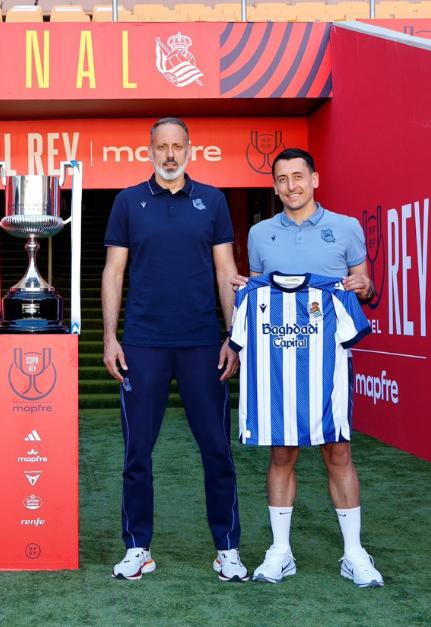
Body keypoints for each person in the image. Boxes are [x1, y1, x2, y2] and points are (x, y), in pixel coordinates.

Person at [101, 117, 247, 582]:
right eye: (161, 146)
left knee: (217, 451)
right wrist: (110, 335)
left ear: (189, 149)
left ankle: (227, 548)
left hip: (204, 343)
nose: (169, 154)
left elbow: (227, 271)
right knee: (137, 453)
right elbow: (113, 272)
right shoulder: (128, 202)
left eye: (176, 146)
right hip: (143, 343)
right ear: (149, 150)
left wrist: (232, 336)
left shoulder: (213, 201)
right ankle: (137, 548)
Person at [234, 147, 383, 588]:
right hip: (280, 364)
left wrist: (364, 284)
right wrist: (247, 290)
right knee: (281, 452)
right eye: (282, 179)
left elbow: (367, 285)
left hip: (328, 362)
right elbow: (262, 289)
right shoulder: (260, 235)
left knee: (338, 451)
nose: (291, 186)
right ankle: (281, 552)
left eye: (298, 177)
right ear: (274, 185)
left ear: (315, 179)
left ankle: (354, 553)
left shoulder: (346, 228)